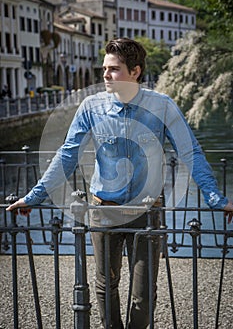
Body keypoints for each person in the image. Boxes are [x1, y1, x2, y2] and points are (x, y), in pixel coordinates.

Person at [7, 38, 233, 329]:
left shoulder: (162, 105)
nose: (105, 75)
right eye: (104, 68)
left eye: (113, 69)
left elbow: (190, 152)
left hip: (147, 211)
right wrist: (34, 196)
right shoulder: (91, 106)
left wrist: (216, 199)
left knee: (144, 293)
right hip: (104, 210)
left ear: (135, 71)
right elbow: (68, 154)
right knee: (105, 285)